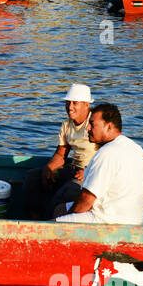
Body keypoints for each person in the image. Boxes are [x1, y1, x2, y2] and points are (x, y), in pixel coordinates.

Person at [54, 103, 143, 225]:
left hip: (108, 220)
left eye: (92, 124)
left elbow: (86, 201)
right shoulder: (135, 147)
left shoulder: (106, 153)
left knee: (47, 227)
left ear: (109, 127)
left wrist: (69, 215)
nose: (87, 128)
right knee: (59, 209)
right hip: (136, 218)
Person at [33, 83, 96, 215]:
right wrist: (49, 168)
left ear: (86, 104)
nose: (70, 107)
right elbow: (61, 155)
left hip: (90, 173)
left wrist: (88, 171)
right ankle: (29, 219)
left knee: (67, 192)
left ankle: (47, 225)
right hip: (73, 168)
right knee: (33, 178)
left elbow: (107, 153)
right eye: (68, 103)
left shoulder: (95, 123)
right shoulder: (67, 125)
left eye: (75, 103)